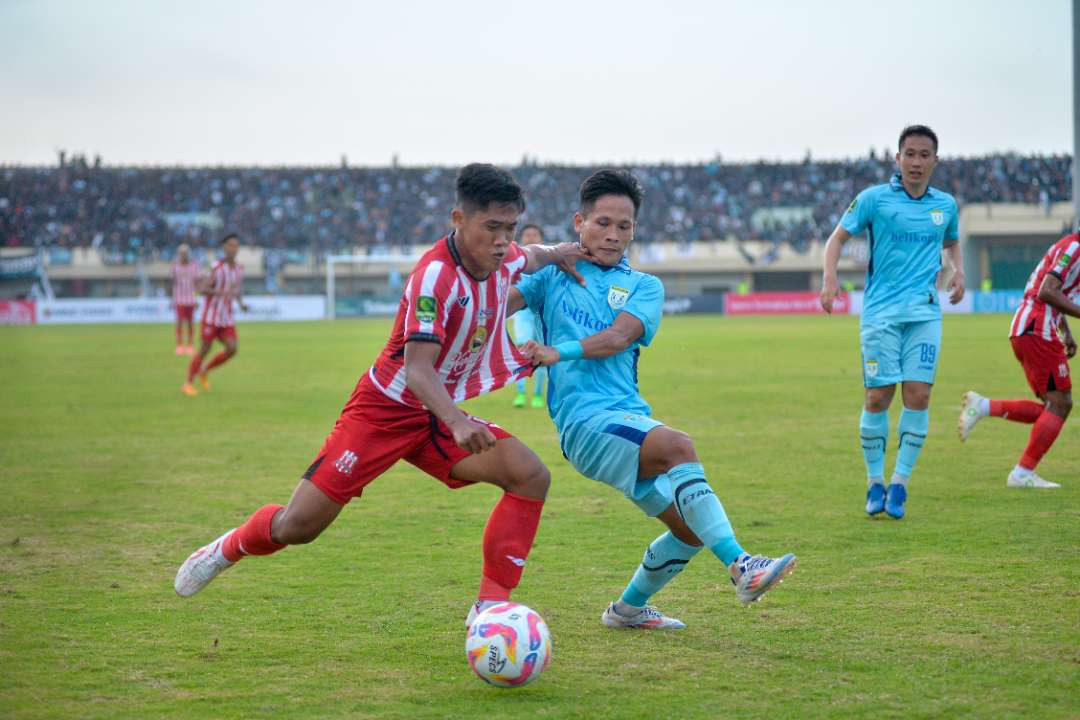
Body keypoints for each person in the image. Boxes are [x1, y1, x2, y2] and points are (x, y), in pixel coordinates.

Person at [174, 164, 585, 628]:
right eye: (492, 227)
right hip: (384, 412)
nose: (501, 239)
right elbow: (416, 371)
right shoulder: (434, 279)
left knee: (530, 475)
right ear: (458, 219)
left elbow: (529, 255)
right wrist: (457, 422)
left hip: (433, 417)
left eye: (508, 228)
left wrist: (562, 251)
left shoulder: (504, 256)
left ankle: (490, 607)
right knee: (299, 527)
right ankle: (226, 548)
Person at [511, 169, 796, 630]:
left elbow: (619, 337)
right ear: (578, 221)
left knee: (688, 529)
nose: (612, 235)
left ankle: (625, 611)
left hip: (624, 417)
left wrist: (553, 352)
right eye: (602, 223)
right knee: (678, 446)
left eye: (623, 227)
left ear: (634, 230)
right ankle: (743, 566)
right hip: (585, 423)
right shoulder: (552, 276)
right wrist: (536, 256)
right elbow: (496, 302)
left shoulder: (645, 286)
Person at [821, 125, 964, 519]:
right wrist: (830, 278)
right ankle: (874, 482)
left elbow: (951, 242)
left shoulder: (945, 206)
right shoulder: (873, 200)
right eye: (910, 154)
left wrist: (958, 270)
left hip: (924, 314)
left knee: (917, 396)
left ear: (935, 160)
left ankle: (899, 483)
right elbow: (836, 239)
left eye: (924, 155)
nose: (916, 162)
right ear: (897, 158)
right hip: (881, 316)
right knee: (878, 397)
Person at [957, 232, 1080, 488]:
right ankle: (1022, 473)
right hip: (1037, 329)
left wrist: (1065, 331)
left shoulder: (1069, 246)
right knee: (1060, 404)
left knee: (1053, 406)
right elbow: (1047, 291)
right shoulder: (1074, 248)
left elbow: (1054, 290)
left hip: (1029, 328)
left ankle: (982, 406)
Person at [182, 234, 248, 396]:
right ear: (224, 247)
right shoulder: (217, 267)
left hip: (226, 318)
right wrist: (220, 292)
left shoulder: (239, 269)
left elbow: (236, 289)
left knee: (232, 349)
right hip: (211, 316)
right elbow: (203, 289)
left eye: (236, 245)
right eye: (230, 245)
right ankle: (188, 383)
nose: (233, 248)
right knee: (205, 349)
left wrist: (241, 304)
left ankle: (204, 370)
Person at [510, 224, 547, 409]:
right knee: (522, 351)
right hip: (522, 314)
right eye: (527, 235)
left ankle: (538, 395)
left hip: (541, 315)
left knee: (540, 353)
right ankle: (521, 393)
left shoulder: (548, 264)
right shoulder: (515, 262)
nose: (531, 238)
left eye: (534, 234)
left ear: (540, 238)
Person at [170, 243, 201, 355]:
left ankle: (190, 345)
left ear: (189, 254)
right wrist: (172, 299)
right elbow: (173, 283)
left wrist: (197, 299)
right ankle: (179, 345)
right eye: (181, 253)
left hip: (191, 299)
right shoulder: (175, 267)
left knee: (190, 323)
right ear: (179, 254)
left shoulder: (194, 266)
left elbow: (197, 283)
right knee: (179, 322)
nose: (183, 255)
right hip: (179, 299)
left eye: (185, 253)